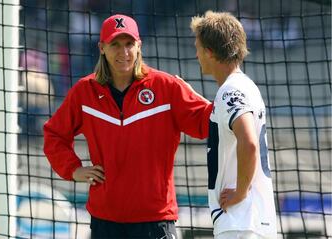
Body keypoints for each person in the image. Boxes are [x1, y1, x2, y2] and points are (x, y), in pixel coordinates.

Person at [43, 14, 212, 239]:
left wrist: (223, 96)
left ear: (139, 46)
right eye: (115, 44)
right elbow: (54, 134)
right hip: (105, 220)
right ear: (102, 47)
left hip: (155, 219)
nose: (124, 52)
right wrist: (74, 170)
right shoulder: (85, 91)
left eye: (129, 44)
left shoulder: (166, 86)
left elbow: (206, 123)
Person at [190, 11, 277, 239]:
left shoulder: (230, 91)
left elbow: (249, 143)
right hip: (253, 221)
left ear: (209, 52)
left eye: (198, 47)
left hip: (240, 222)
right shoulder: (245, 87)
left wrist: (240, 192)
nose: (196, 54)